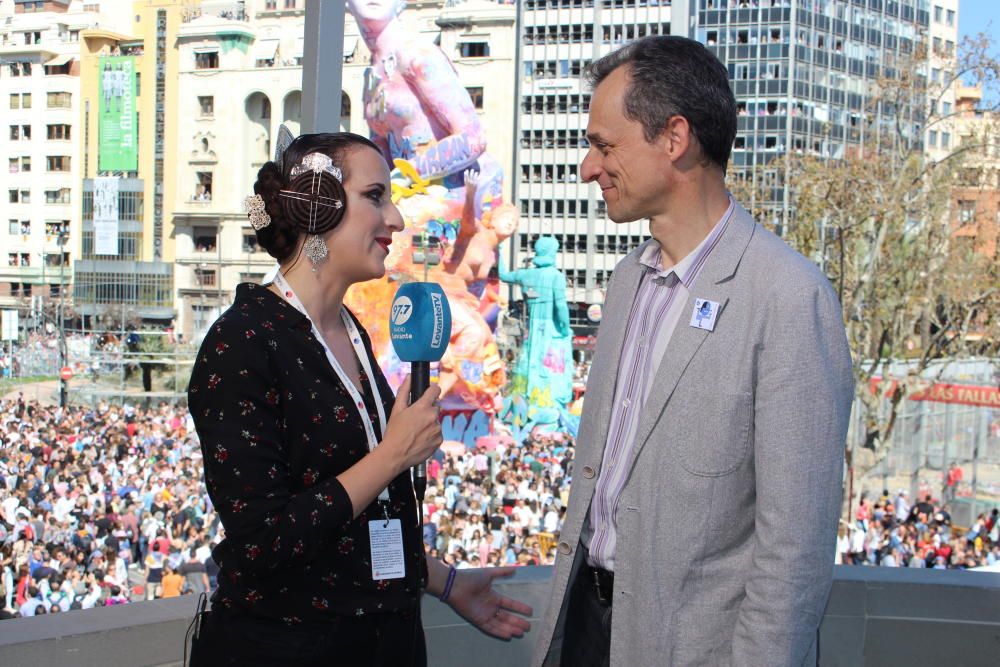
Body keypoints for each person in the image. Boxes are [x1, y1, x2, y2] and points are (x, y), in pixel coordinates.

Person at [532, 37, 854, 666]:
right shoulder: (628, 280)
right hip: (585, 631)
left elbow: (794, 548)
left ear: (674, 139)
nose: (587, 169)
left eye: (604, 145)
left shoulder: (788, 298)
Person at [187, 131, 530, 667]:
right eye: (376, 196)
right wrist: (393, 454)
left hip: (381, 641)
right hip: (288, 649)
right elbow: (262, 539)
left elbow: (357, 518)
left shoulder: (348, 329)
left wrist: (444, 582)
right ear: (317, 208)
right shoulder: (244, 341)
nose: (394, 219)